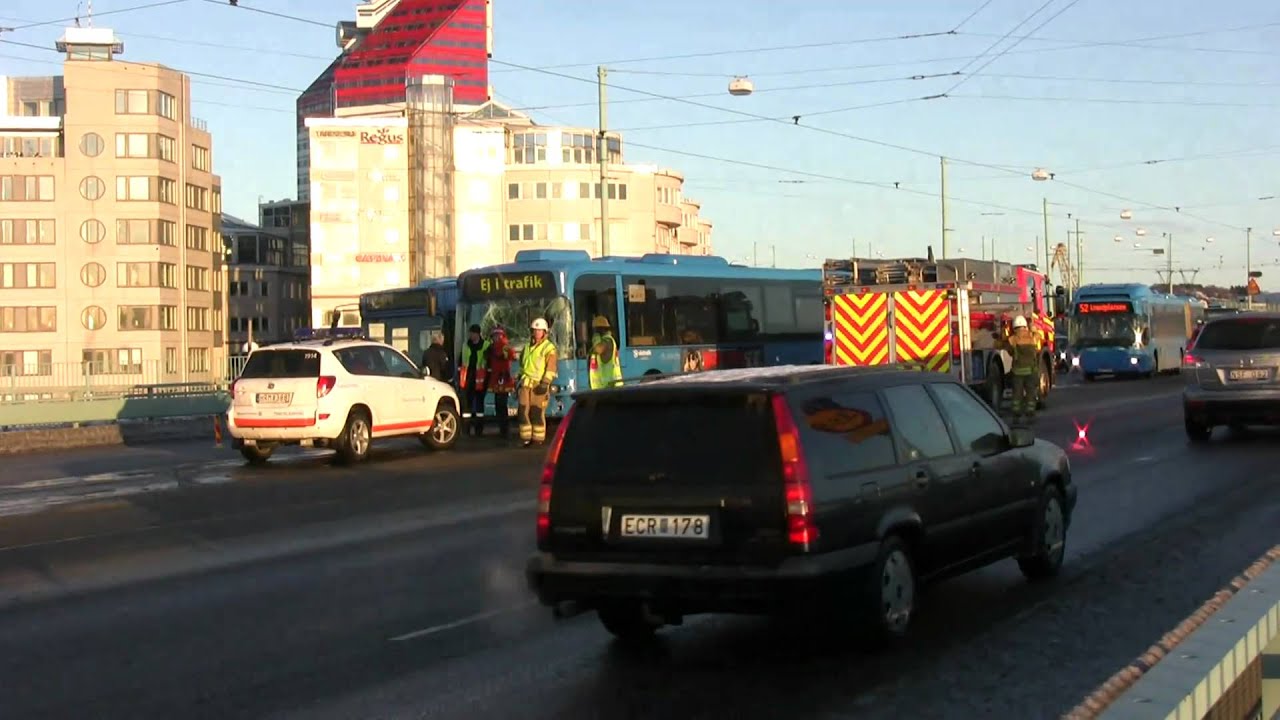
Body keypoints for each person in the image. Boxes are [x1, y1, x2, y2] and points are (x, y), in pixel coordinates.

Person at [517, 318, 557, 447]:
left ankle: (538, 439)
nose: (537, 332)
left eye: (540, 330)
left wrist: (545, 383)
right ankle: (526, 438)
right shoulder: (527, 347)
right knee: (523, 411)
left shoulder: (549, 348)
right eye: (535, 330)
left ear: (544, 332)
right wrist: (518, 380)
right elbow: (522, 365)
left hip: (538, 385)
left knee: (536, 412)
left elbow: (551, 367)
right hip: (525, 384)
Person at [997, 315, 1042, 425]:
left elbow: (1007, 349)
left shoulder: (1013, 339)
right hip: (1031, 372)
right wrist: (1032, 327)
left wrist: (1002, 332)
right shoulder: (1032, 337)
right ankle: (1030, 414)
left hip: (1018, 373)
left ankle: (1016, 416)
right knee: (1030, 394)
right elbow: (1039, 335)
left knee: (1017, 395)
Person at [457, 324, 490, 436]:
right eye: (470, 333)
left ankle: (479, 430)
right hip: (467, 377)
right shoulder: (466, 345)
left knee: (479, 405)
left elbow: (489, 362)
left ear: (478, 334)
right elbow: (461, 362)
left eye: (473, 333)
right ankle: (466, 430)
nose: (471, 335)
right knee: (466, 404)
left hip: (480, 377)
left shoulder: (486, 345)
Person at [486, 326, 517, 439]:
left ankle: (505, 430)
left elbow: (511, 357)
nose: (495, 338)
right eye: (494, 336)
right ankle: (502, 429)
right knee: (499, 405)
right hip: (497, 378)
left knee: (501, 405)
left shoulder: (504, 347)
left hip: (503, 378)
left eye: (497, 336)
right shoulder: (492, 348)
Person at [588, 315, 622, 389]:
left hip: (610, 387)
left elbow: (599, 349)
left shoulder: (608, 341)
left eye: (595, 330)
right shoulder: (602, 341)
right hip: (602, 388)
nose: (594, 332)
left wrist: (595, 338)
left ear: (601, 329)